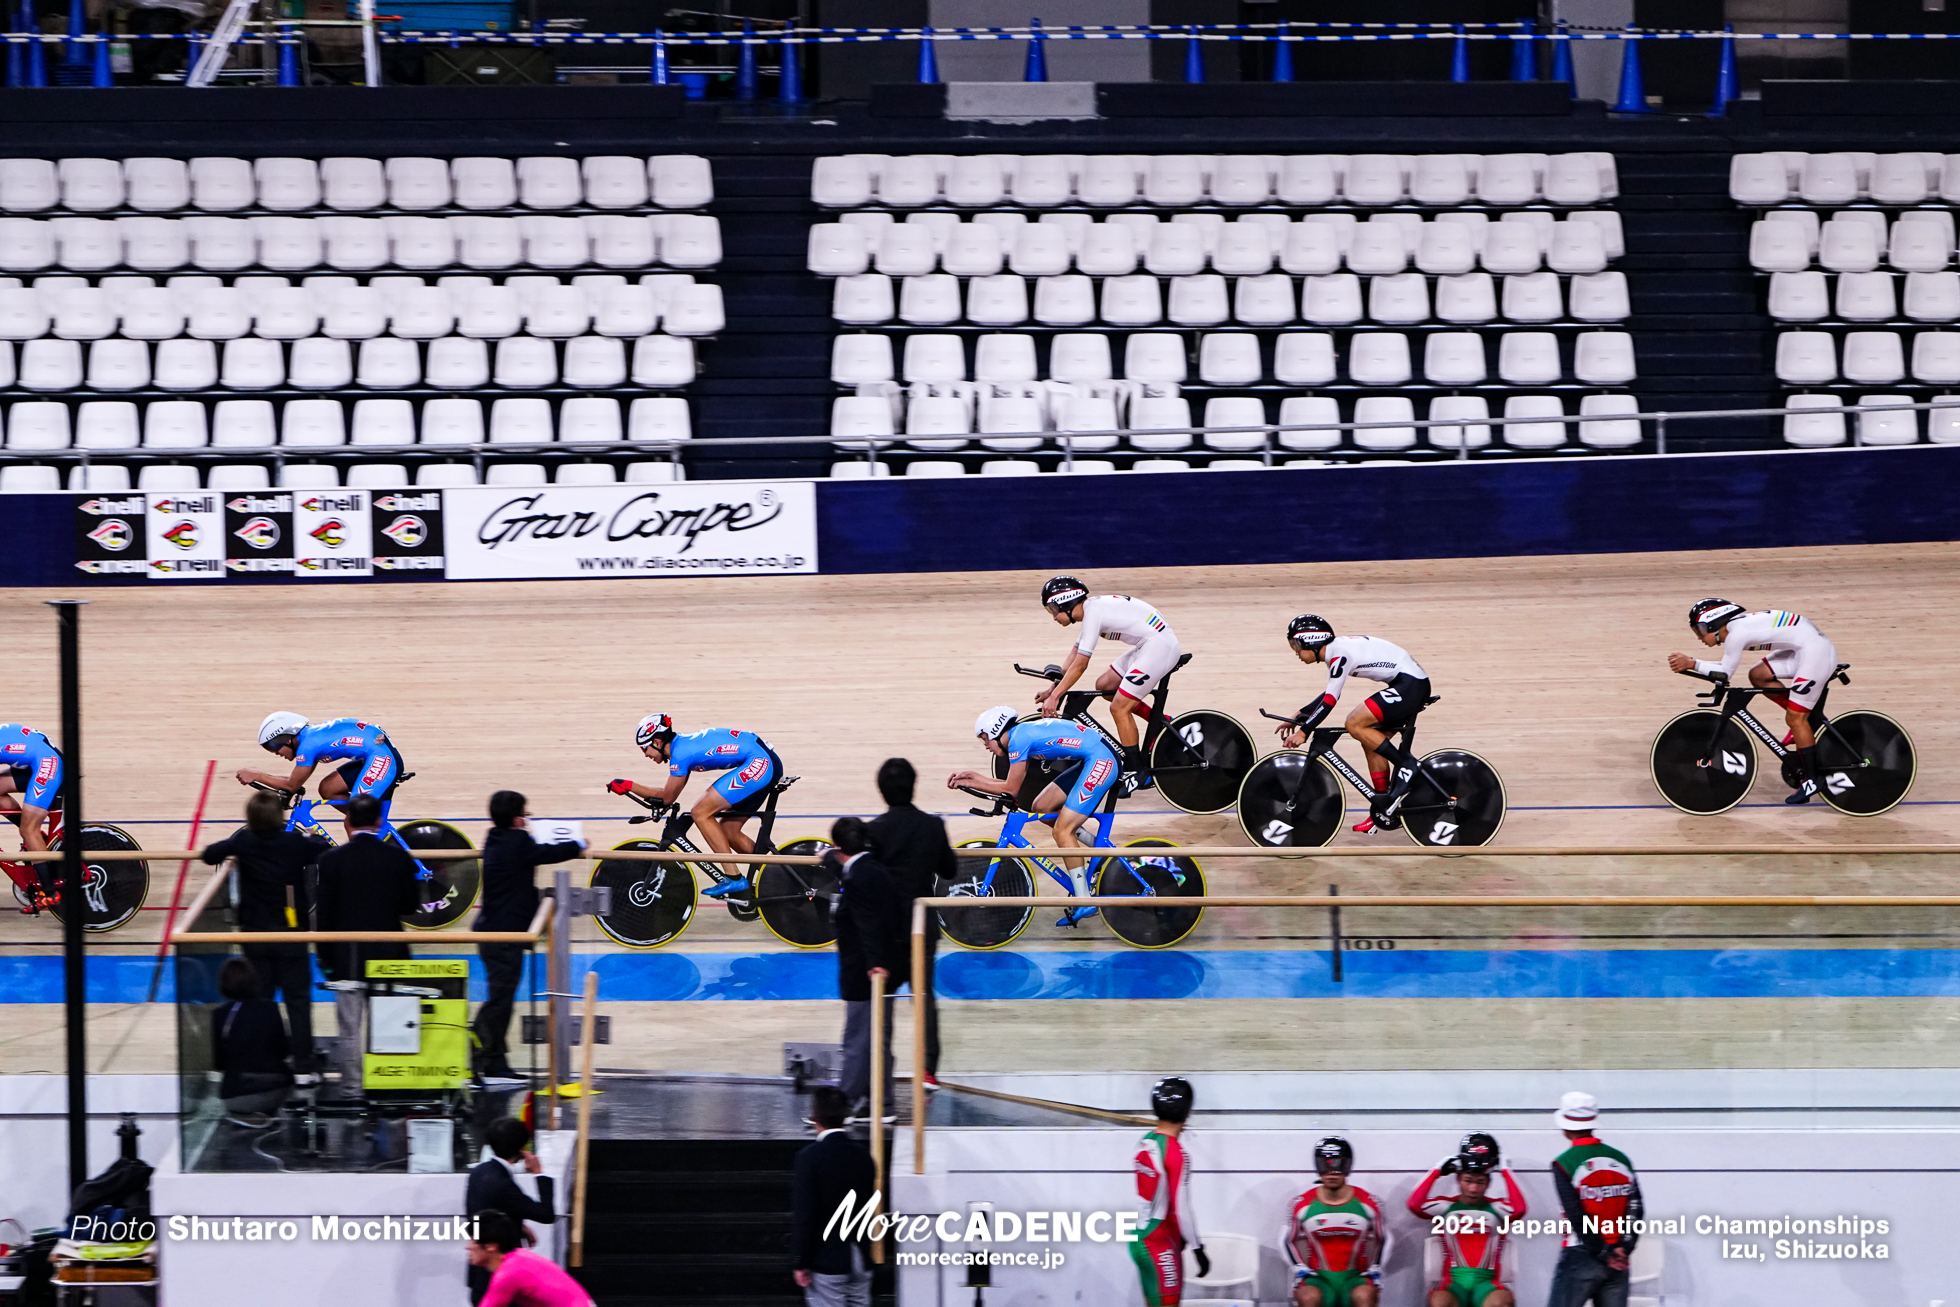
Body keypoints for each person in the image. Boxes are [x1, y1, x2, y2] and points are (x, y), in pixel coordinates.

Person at [198, 791, 331, 1073]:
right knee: (298, 1000)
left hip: (255, 935)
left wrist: (234, 849)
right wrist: (311, 837)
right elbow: (326, 851)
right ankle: (304, 1062)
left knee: (260, 1002)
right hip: (291, 934)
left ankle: (266, 1061)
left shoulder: (245, 841)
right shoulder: (294, 842)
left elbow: (209, 855)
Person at [947, 704, 1120, 918]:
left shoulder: (1019, 740)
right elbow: (1011, 784)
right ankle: (1098, 851)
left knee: (1062, 831)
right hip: (1093, 757)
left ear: (995, 731)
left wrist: (974, 781)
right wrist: (973, 778)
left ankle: (1085, 901)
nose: (986, 746)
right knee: (1041, 807)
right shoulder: (1021, 735)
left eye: (984, 738)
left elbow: (1010, 789)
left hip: (1101, 760)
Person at [1668, 599, 1840, 805]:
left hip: (1815, 653)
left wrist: (1692, 663)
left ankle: (1813, 779)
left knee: (1795, 719)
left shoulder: (1736, 635)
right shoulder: (1735, 628)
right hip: (1804, 648)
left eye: (1699, 630)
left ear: (1712, 624)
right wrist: (1694, 664)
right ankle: (1804, 720)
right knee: (1758, 675)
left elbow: (1723, 673)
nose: (1699, 637)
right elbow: (1724, 668)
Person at [1278, 615, 1432, 834]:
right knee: (1370, 740)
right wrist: (1302, 713)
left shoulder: (1339, 654)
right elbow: (1331, 691)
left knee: (1354, 723)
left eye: (1296, 646)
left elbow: (1331, 700)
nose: (1295, 653)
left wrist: (1304, 732)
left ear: (1310, 643)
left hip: (1410, 685)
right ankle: (1383, 806)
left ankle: (1407, 765)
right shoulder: (1335, 652)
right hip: (1406, 683)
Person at [474, 790, 585, 1087]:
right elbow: (547, 854)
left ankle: (495, 1061)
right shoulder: (518, 842)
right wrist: (579, 844)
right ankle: (475, 1057)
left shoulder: (493, 837)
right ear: (516, 819)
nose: (528, 819)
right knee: (499, 1001)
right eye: (526, 814)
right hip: (503, 935)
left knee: (502, 999)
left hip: (492, 931)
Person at [313, 794, 422, 1097]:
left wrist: (324, 956)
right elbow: (410, 906)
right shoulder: (398, 857)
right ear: (379, 822)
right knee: (392, 1024)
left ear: (347, 821)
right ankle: (391, 1086)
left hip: (347, 955)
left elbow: (324, 913)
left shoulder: (330, 859)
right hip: (391, 953)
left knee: (350, 1030)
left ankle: (352, 1088)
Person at [608, 712, 782, 901]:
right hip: (763, 758)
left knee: (700, 812)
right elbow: (669, 795)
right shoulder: (681, 748)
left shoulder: (681, 754)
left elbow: (667, 797)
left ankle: (733, 877)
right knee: (728, 830)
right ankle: (778, 875)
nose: (645, 754)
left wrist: (630, 786)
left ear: (657, 742)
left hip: (759, 761)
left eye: (644, 748)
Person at [1035, 576, 1181, 793]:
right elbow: (1074, 656)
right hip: (1147, 645)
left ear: (1066, 603)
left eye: (1053, 609)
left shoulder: (1093, 613)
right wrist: (1053, 689)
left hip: (1159, 647)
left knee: (1119, 708)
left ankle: (1137, 772)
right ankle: (1157, 721)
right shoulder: (1090, 612)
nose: (1054, 616)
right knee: (1105, 685)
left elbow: (1081, 665)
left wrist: (1056, 697)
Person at [867, 758, 954, 1091]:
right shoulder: (932, 826)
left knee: (883, 1002)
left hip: (886, 929)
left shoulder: (872, 830)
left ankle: (880, 1075)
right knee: (924, 998)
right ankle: (929, 1070)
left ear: (882, 791)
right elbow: (948, 871)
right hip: (922, 926)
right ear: (914, 785)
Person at [831, 817, 906, 1122]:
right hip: (885, 967)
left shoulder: (859, 879)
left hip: (867, 971)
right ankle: (880, 1103)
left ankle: (845, 1105)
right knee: (879, 1037)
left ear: (839, 848)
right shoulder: (869, 869)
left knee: (858, 1039)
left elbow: (867, 924)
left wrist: (875, 964)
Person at [1406, 1133, 1526, 1307]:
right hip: (1453, 1284)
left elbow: (1520, 1209)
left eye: (1480, 1182)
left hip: (1487, 1284)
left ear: (1488, 1183)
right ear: (1458, 1180)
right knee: (1439, 1302)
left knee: (1502, 1302)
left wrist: (1506, 1171)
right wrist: (1436, 1171)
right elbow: (1414, 1204)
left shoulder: (1498, 1209)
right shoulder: (1445, 1207)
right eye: (1468, 1181)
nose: (1473, 1188)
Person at [1547, 1091, 1642, 1307]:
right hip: (1619, 1258)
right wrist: (1623, 1249)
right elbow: (1636, 1208)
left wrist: (1603, 1252)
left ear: (1565, 1126)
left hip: (1581, 1253)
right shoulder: (1621, 1159)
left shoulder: (1563, 1163)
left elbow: (1576, 1216)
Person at [237, 711, 409, 824]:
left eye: (273, 746)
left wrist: (257, 775)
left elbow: (290, 786)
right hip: (377, 754)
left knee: (352, 823)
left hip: (382, 758)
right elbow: (294, 782)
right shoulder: (308, 739)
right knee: (328, 788)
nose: (274, 752)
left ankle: (364, 849)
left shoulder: (308, 747)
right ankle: (370, 822)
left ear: (286, 738)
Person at [791, 1085, 878, 1307]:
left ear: (814, 1117)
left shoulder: (809, 1159)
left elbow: (806, 1215)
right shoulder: (863, 1156)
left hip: (827, 1259)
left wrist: (801, 1261)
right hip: (859, 1256)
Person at [1283, 1136, 1388, 1307]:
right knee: (1308, 1297)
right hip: (1318, 1278)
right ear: (1317, 1167)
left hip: (1355, 1277)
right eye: (1325, 1166)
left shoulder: (1370, 1203)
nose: (1332, 1173)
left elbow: (1384, 1238)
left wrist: (1376, 1267)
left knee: (1365, 1296)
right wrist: (1297, 1267)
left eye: (1339, 1166)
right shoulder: (1300, 1204)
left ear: (1348, 1167)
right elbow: (1286, 1240)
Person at [465, 1117, 559, 1305]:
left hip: (479, 1277)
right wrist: (538, 1173)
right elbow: (546, 1214)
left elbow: (485, 1213)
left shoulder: (479, 1172)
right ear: (522, 1148)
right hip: (501, 1281)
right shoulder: (504, 1185)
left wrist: (519, 1226)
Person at [1132, 1077, 1206, 1307]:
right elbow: (1181, 1208)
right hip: (1160, 1243)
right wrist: (1197, 1248)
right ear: (1187, 1112)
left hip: (1140, 1237)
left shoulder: (1146, 1141)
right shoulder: (1176, 1153)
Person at [210, 957, 293, 1121]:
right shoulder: (271, 1008)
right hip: (276, 1091)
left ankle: (248, 1115)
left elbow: (219, 1063)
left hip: (237, 1096)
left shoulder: (220, 1014)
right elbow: (284, 1050)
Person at [467, 1209, 593, 1307]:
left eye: (473, 1242)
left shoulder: (508, 1274)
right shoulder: (518, 1258)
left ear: (491, 1246)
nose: (468, 1247)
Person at [0, 721, 64, 911]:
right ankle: (36, 840)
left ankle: (50, 892)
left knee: (29, 829)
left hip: (46, 764)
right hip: (40, 760)